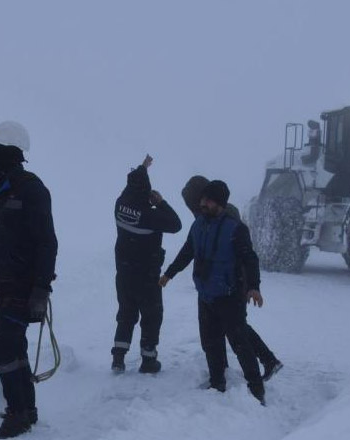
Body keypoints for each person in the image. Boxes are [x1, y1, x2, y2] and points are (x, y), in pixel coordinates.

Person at [0, 121, 58, 438]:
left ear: (10, 155)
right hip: (2, 285)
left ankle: (18, 413)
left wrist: (41, 289)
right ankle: (28, 409)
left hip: (24, 288)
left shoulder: (32, 190)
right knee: (15, 349)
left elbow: (47, 242)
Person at [160, 180, 266, 405]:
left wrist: (254, 286)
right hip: (206, 295)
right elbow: (187, 251)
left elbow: (250, 258)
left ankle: (257, 389)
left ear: (219, 203)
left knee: (240, 344)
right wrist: (169, 273)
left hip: (229, 295)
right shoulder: (198, 225)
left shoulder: (236, 229)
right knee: (210, 342)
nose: (202, 203)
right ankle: (217, 382)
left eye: (207, 200)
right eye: (202, 199)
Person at [181, 176, 283, 382]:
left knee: (235, 329)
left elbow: (240, 254)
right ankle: (261, 361)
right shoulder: (209, 213)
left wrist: (248, 286)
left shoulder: (225, 216)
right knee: (234, 327)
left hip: (233, 283)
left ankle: (262, 365)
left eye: (193, 203)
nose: (196, 208)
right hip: (220, 284)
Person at [111, 155, 182, 373]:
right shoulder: (151, 216)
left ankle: (118, 359)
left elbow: (132, 187)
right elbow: (176, 224)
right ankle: (148, 360)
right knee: (151, 316)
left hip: (124, 273)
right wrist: (160, 203)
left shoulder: (120, 205)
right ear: (147, 192)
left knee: (126, 314)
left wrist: (143, 167)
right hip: (147, 276)